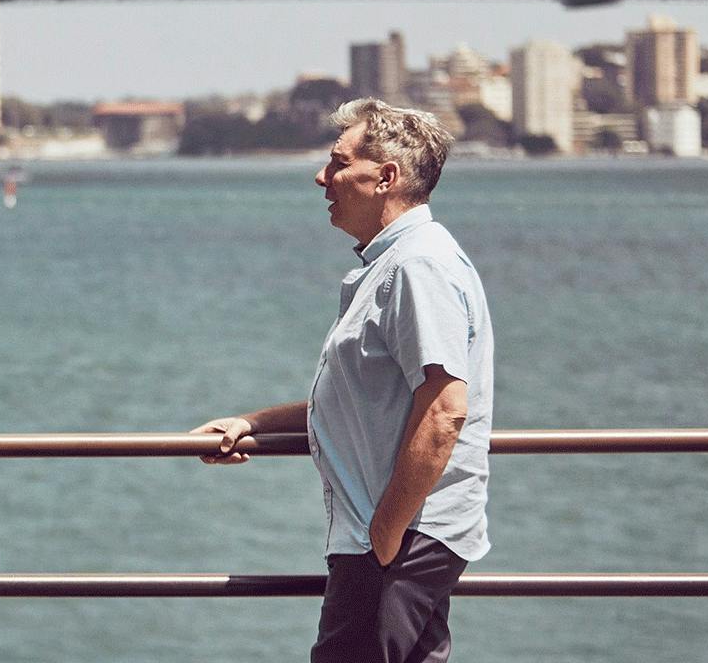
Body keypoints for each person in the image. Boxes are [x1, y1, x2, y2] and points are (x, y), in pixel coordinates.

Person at [193, 98, 494, 663]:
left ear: (386, 177)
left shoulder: (416, 267)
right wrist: (252, 423)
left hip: (398, 541)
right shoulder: (395, 263)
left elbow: (445, 408)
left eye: (338, 162)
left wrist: (385, 536)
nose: (321, 177)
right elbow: (362, 397)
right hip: (395, 540)